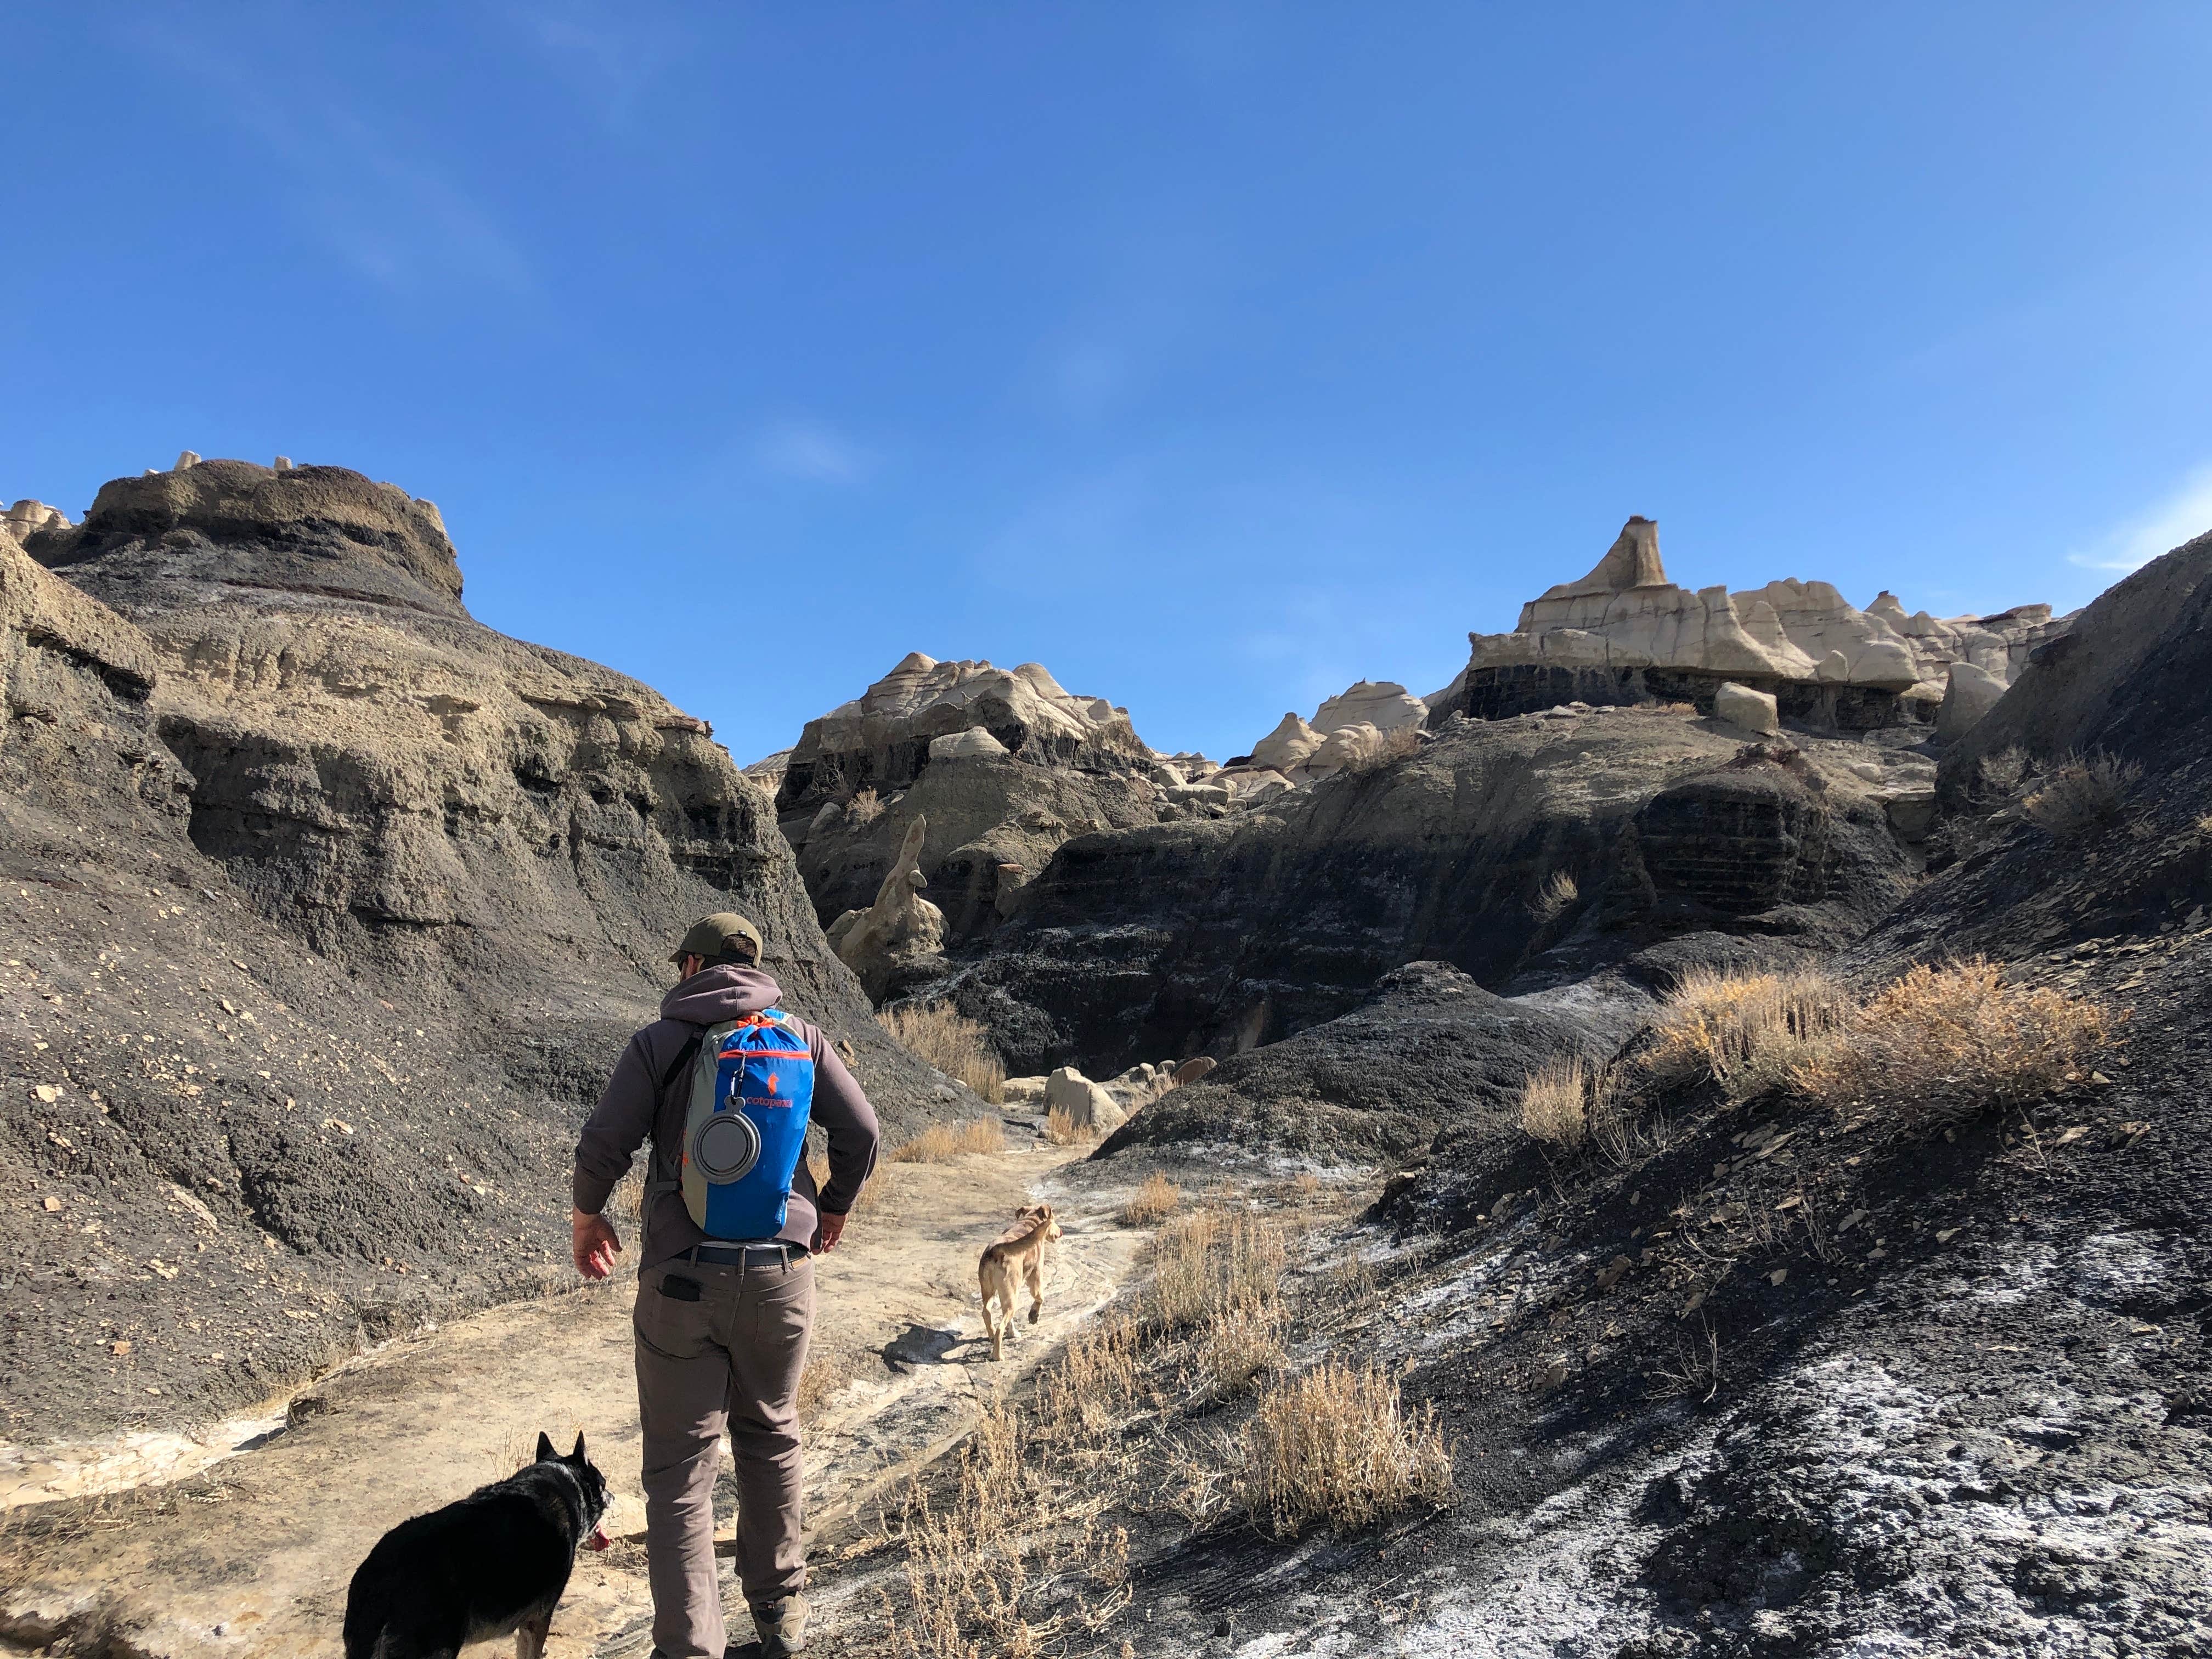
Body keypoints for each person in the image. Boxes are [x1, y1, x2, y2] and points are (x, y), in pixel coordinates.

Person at [571, 912, 879, 1659]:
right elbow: (863, 1132)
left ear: (691, 968)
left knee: (680, 1475)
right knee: (772, 1437)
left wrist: (589, 1218)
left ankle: (688, 1649)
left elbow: (605, 1142)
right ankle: (780, 1619)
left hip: (681, 1279)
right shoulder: (801, 1039)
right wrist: (832, 1207)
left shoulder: (658, 1043)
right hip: (781, 1276)